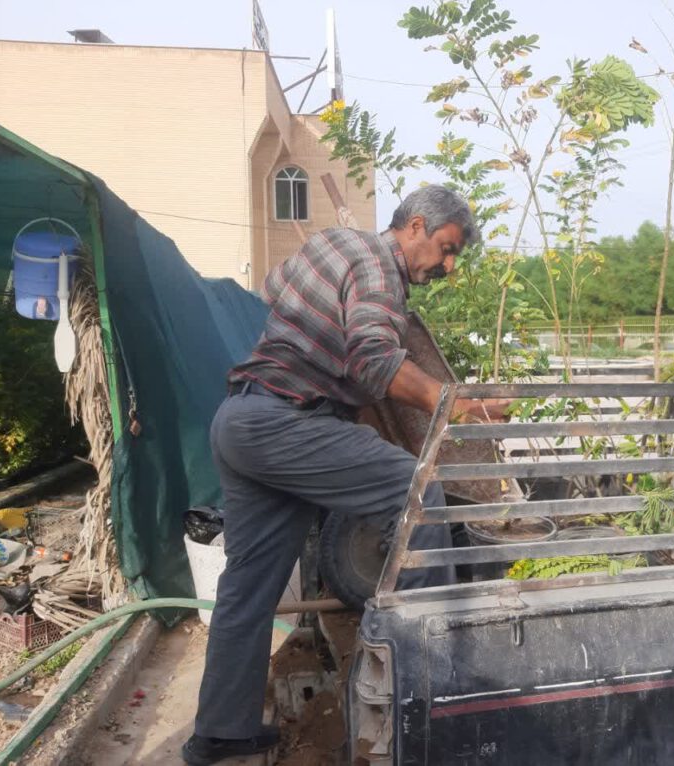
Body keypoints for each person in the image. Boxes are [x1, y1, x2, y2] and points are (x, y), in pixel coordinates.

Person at [182, 185, 510, 765]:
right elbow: (374, 360)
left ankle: (221, 732)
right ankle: (427, 699)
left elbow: (272, 293)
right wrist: (454, 404)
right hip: (287, 423)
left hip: (241, 421)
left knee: (247, 586)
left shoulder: (332, 246)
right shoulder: (379, 268)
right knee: (416, 492)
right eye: (447, 248)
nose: (449, 267)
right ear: (415, 226)